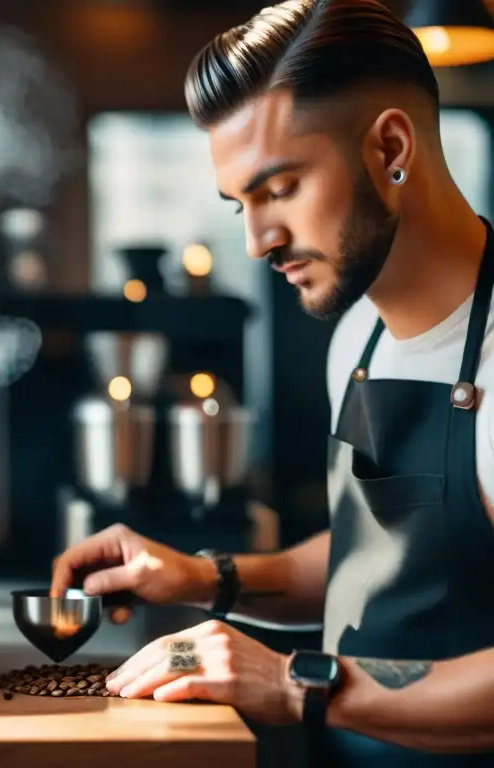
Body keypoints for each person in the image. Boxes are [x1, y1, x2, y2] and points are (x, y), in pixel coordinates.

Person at [50, 0, 494, 764]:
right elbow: (379, 558)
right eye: (241, 205)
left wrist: (292, 682)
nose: (258, 242)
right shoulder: (358, 333)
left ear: (390, 147)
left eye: (280, 187)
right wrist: (199, 575)